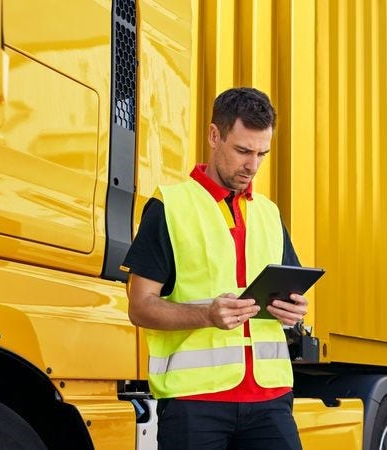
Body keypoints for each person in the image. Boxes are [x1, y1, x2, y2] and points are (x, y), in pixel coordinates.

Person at [123, 87, 308, 450]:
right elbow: (139, 306)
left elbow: (290, 296)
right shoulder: (170, 207)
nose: (252, 166)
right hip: (196, 404)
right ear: (214, 135)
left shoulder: (269, 213)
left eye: (261, 154)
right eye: (242, 151)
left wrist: (294, 311)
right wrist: (207, 314)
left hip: (271, 399)